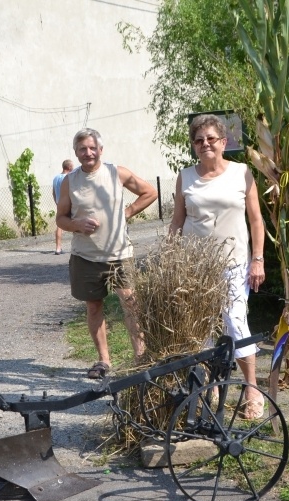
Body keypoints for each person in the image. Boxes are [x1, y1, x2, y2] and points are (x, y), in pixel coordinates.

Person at [169, 114, 267, 420]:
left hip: (234, 263)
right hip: (196, 266)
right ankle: (211, 385)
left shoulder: (242, 173)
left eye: (211, 139)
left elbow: (255, 220)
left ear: (224, 142)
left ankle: (252, 389)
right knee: (202, 327)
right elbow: (178, 220)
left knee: (236, 323)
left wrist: (258, 259)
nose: (205, 144)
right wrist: (171, 257)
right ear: (194, 146)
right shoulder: (186, 177)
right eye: (199, 140)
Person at [56, 128, 157, 379]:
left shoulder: (116, 172)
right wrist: (77, 224)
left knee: (131, 304)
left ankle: (140, 358)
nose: (88, 153)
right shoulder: (70, 181)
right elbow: (61, 218)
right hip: (86, 257)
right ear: (76, 153)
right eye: (82, 149)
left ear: (101, 150)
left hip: (120, 253)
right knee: (93, 308)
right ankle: (104, 360)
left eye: (92, 148)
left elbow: (150, 192)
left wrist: (129, 211)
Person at [52, 159, 74, 255]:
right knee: (75, 222)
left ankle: (58, 247)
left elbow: (53, 192)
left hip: (59, 202)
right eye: (72, 166)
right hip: (68, 202)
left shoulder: (56, 177)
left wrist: (57, 202)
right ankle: (78, 246)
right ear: (69, 167)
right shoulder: (69, 177)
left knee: (59, 225)